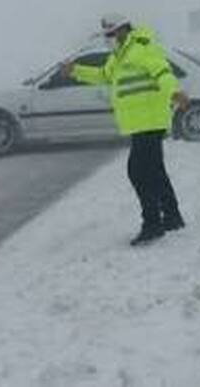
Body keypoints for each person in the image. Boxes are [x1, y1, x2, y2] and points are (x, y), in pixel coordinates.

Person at [64, 14, 190, 246]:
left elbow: (162, 72)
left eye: (111, 33)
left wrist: (174, 91)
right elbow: (104, 75)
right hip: (139, 122)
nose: (109, 38)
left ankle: (152, 224)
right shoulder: (118, 56)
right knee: (155, 171)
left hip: (150, 120)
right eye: (106, 35)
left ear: (123, 30)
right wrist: (75, 71)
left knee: (138, 172)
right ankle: (172, 217)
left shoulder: (142, 47)